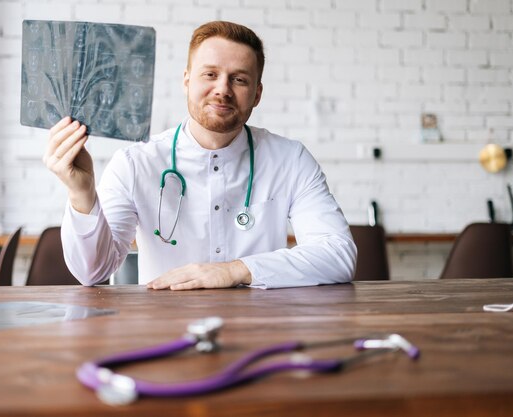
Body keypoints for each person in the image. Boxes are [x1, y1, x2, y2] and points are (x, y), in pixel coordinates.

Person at [44, 21, 356, 290]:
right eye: (210, 75)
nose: (223, 90)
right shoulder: (135, 163)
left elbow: (338, 254)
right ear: (187, 80)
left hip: (259, 329)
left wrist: (233, 270)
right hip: (163, 331)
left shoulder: (290, 160)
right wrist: (81, 194)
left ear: (257, 94)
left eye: (239, 79)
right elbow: (92, 272)